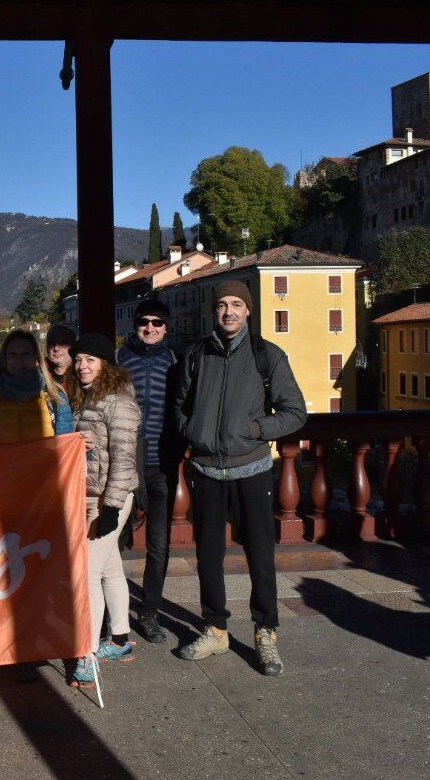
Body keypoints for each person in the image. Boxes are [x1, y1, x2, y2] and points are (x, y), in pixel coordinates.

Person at [171, 280, 306, 677]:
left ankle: (266, 632)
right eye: (221, 305)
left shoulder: (268, 356)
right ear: (213, 312)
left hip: (252, 471)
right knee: (208, 557)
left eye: (236, 305)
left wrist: (256, 429)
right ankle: (215, 629)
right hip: (207, 471)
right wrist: (193, 430)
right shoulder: (196, 354)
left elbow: (295, 412)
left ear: (248, 310)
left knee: (260, 557)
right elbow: (179, 405)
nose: (228, 311)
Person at [65, 333, 141, 689]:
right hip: (88, 494)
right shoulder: (86, 397)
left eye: (90, 360)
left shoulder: (118, 403)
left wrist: (110, 508)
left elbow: (125, 460)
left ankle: (87, 654)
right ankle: (121, 640)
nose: (82, 366)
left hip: (109, 498)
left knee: (89, 572)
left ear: (105, 364)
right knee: (110, 569)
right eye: (78, 359)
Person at [116, 298, 181, 644]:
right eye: (145, 321)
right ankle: (111, 609)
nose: (151, 327)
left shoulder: (176, 362)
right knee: (113, 540)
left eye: (158, 322)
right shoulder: (119, 361)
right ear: (135, 325)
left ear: (166, 327)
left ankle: (150, 611)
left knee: (159, 543)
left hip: (162, 466)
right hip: (125, 464)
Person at [0, 329, 73, 446]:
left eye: (26, 354)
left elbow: (65, 446)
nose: (19, 360)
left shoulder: (55, 396)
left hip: (43, 464)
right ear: (5, 359)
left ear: (36, 358)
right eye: (12, 354)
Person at [44, 324, 76, 390]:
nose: (56, 348)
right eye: (51, 343)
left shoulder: (82, 374)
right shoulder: (37, 377)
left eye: (62, 343)